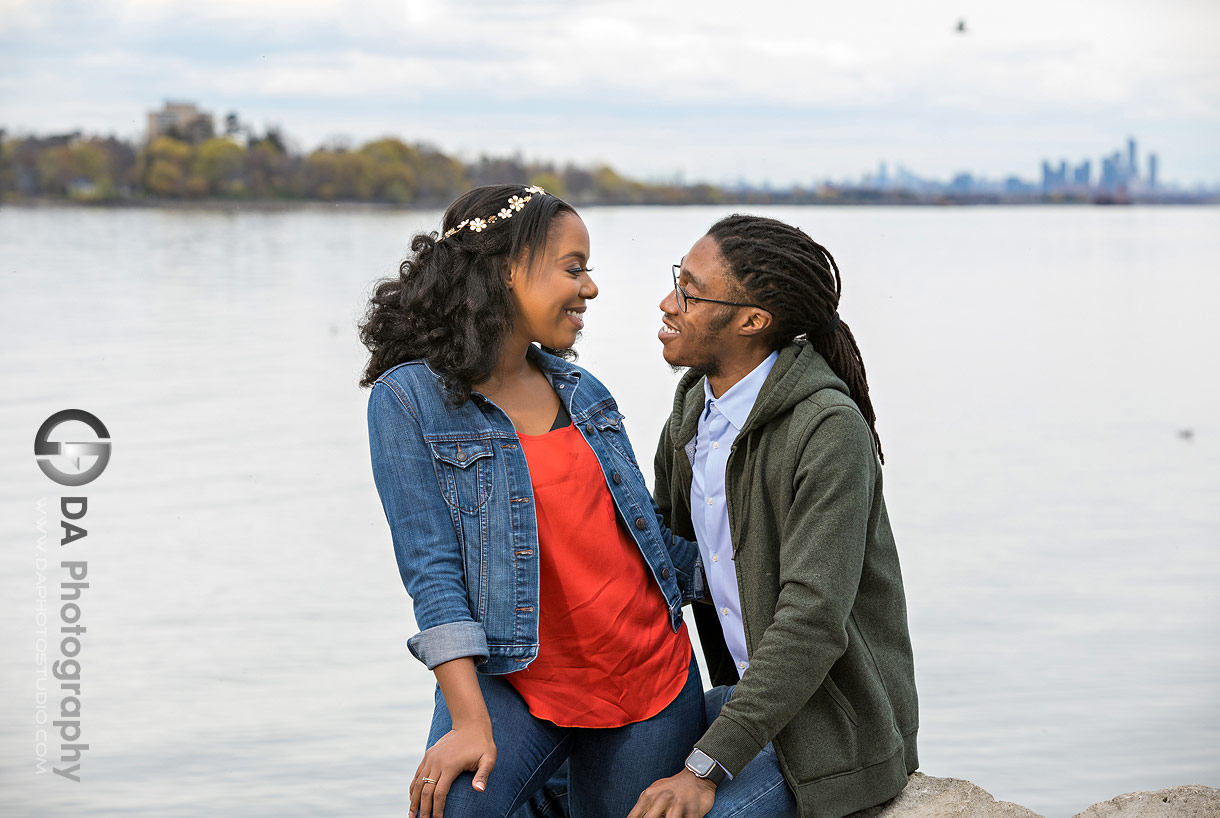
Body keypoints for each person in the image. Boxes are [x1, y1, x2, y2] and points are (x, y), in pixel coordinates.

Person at [359, 184, 705, 818]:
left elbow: (641, 531)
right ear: (503, 270)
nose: (590, 289)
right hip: (509, 677)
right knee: (457, 810)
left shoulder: (583, 390)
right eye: (573, 270)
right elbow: (431, 570)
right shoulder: (407, 400)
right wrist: (467, 719)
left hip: (645, 676)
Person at [628, 214, 919, 818]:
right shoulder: (692, 413)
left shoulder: (827, 430)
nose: (667, 302)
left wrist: (705, 766)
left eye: (689, 289)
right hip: (744, 702)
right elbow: (663, 558)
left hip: (830, 732)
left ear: (753, 321)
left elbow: (811, 622)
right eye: (675, 281)